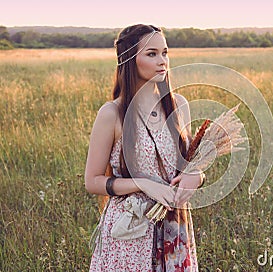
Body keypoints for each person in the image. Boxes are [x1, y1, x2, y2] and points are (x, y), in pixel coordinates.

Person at [85, 24, 203, 271]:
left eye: (165, 52)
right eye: (152, 54)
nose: (163, 61)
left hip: (174, 226)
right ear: (129, 60)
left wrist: (196, 176)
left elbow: (190, 163)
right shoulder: (112, 113)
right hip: (130, 229)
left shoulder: (178, 105)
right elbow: (92, 181)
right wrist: (143, 184)